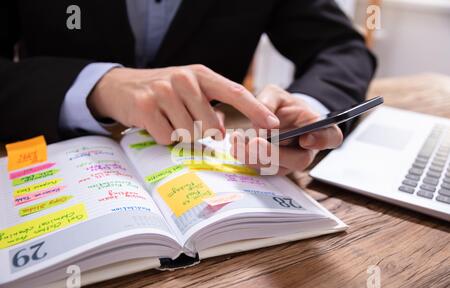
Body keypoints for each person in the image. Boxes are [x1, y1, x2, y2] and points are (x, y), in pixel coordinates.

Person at [0, 0, 376, 175]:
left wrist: (305, 111)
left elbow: (341, 48)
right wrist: (98, 86)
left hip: (208, 179)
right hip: (47, 166)